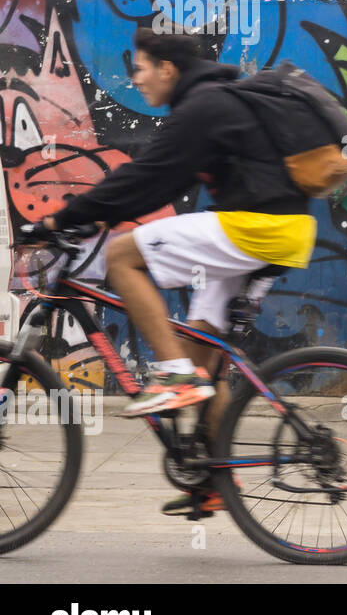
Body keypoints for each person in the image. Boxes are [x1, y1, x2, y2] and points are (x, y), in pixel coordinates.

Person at [42, 28, 316, 515]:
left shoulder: (203, 107)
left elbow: (147, 177)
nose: (136, 78)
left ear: (168, 68)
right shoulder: (211, 105)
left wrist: (65, 219)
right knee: (204, 355)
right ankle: (212, 479)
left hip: (259, 228)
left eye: (142, 68)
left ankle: (172, 378)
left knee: (122, 256)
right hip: (276, 229)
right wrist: (101, 211)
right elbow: (160, 182)